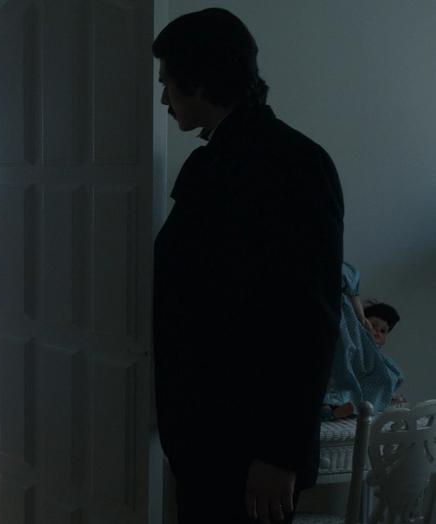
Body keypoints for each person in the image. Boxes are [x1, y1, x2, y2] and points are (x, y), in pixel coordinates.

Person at [152, 9, 344, 524]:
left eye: (168, 81)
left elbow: (308, 319)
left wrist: (279, 453)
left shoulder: (296, 165)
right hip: (206, 435)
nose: (164, 98)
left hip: (248, 446)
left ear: (199, 76)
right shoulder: (215, 162)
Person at [323, 271, 403, 419]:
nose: (377, 332)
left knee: (391, 376)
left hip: (369, 390)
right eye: (373, 326)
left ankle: (377, 402)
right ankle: (336, 411)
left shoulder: (378, 356)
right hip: (357, 380)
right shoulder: (357, 343)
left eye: (383, 331)